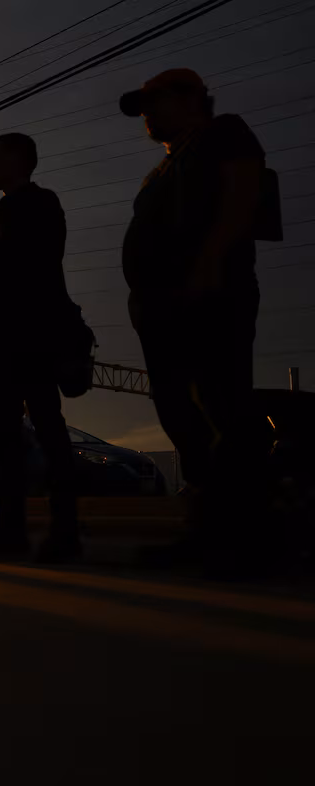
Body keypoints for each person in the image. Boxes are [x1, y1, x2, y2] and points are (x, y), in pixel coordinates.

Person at [119, 69, 269, 570]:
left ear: (190, 98)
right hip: (161, 311)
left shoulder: (223, 133)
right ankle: (207, 529)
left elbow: (243, 193)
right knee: (180, 415)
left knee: (223, 407)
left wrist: (208, 263)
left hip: (210, 295)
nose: (146, 113)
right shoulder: (159, 171)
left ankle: (245, 537)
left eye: (153, 101)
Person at [0, 132, 81, 562]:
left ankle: (64, 534)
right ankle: (12, 532)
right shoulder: (0, 218)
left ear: (16, 160)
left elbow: (24, 262)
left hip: (36, 330)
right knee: (9, 434)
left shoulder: (40, 204)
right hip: (7, 334)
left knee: (46, 427)